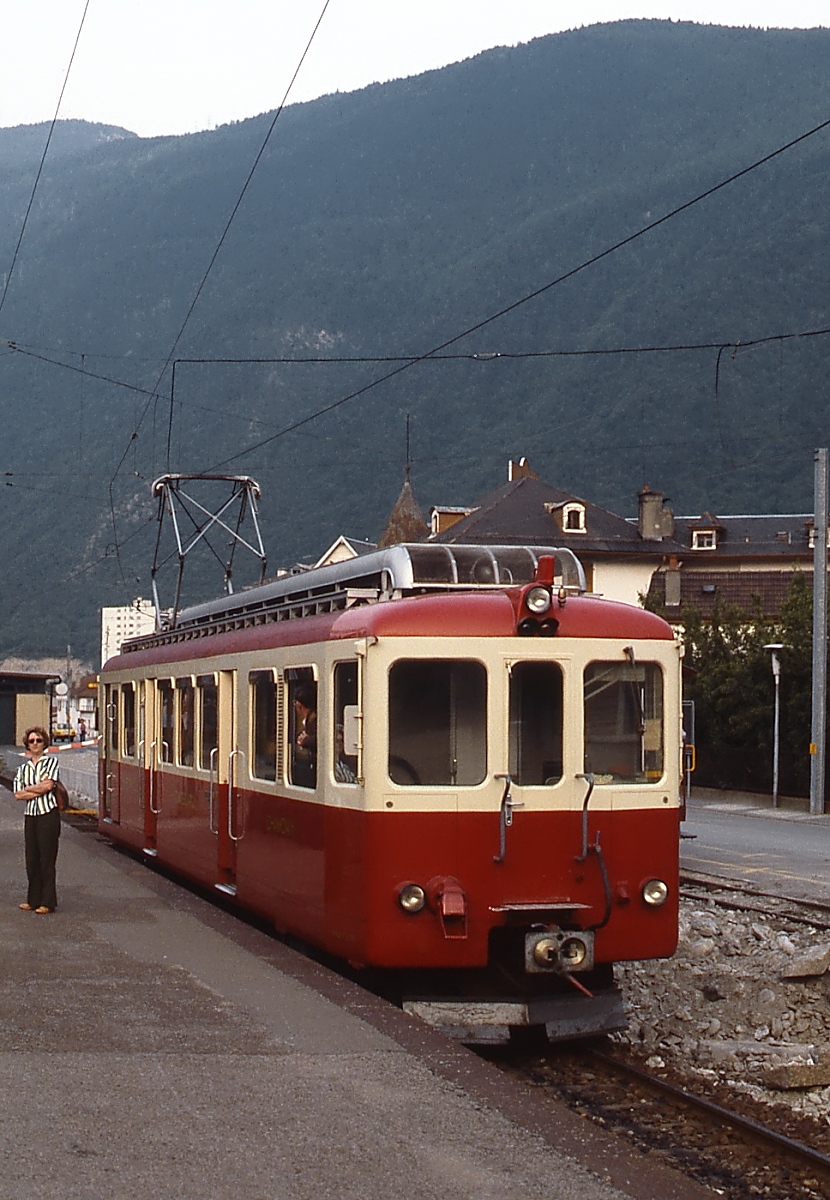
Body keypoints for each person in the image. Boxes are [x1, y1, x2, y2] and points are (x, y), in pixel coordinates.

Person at [13, 726, 61, 914]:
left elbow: (48, 786)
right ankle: (33, 900)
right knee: (31, 858)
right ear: (27, 744)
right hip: (31, 816)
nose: (35, 744)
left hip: (48, 815)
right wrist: (37, 788)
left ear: (44, 743)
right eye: (32, 741)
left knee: (46, 859)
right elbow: (17, 794)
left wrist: (30, 789)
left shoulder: (51, 762)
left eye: (38, 740)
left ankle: (48, 902)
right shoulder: (22, 768)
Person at [293, 684, 317, 787]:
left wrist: (305, 741)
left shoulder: (314, 720)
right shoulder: (310, 719)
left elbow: (321, 739)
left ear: (299, 705)